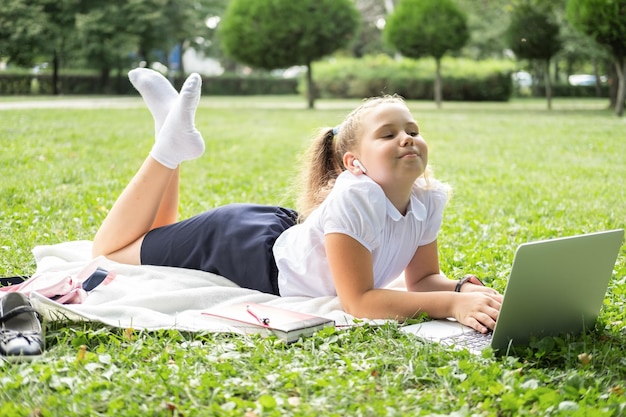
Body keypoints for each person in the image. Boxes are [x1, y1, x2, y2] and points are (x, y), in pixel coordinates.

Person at [93, 69, 502, 333]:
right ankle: (167, 148)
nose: (407, 137)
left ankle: (171, 134)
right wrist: (449, 304)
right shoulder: (355, 198)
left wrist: (463, 290)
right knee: (109, 251)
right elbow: (359, 302)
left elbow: (422, 281)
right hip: (242, 247)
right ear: (353, 163)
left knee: (155, 238)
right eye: (388, 133)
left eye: (412, 128)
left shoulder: (427, 199)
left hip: (281, 232)